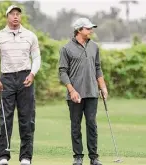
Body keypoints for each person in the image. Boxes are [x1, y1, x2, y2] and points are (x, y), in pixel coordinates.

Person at [0, 5, 41, 165]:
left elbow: (37, 58)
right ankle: (3, 156)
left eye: (18, 14)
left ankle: (26, 157)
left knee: (27, 119)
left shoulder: (30, 36)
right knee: (5, 118)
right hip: (6, 79)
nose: (16, 17)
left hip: (26, 77)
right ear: (7, 17)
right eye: (12, 14)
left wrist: (32, 73)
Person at [59, 18, 108, 165]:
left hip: (92, 92)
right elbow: (62, 72)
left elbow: (98, 68)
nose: (91, 30)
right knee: (76, 125)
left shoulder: (94, 47)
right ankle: (78, 156)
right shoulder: (66, 48)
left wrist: (103, 87)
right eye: (88, 28)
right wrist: (72, 90)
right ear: (79, 30)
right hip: (75, 94)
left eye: (91, 28)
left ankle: (94, 157)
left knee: (92, 124)